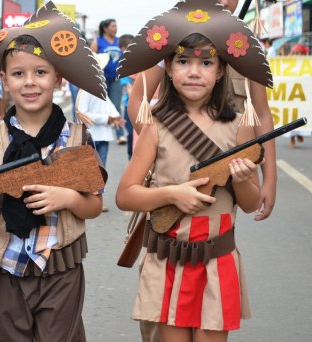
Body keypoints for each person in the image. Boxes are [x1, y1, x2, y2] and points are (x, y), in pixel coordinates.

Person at [116, 1, 273, 341]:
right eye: (183, 61)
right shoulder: (156, 127)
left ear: (220, 70)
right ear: (168, 66)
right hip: (168, 258)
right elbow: (125, 195)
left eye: (206, 62)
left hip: (218, 260)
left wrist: (247, 179)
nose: (194, 71)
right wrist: (171, 194)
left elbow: (247, 202)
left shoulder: (239, 129)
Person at [0, 2, 107, 340]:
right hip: (6, 267)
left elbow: (94, 205)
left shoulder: (77, 136)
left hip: (62, 271)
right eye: (18, 73)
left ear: (58, 78)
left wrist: (67, 197)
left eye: (40, 72)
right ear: (3, 80)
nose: (30, 82)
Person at [127, 0, 277, 223]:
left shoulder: (245, 45)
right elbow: (138, 101)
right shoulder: (170, 34)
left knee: (218, 232)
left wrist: (270, 180)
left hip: (229, 171)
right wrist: (169, 143)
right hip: (174, 173)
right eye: (185, 61)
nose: (223, 1)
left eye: (206, 63)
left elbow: (261, 113)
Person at [76, 53, 125, 212]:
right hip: (93, 135)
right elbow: (83, 114)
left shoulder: (98, 88)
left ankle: (95, 198)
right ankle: (93, 199)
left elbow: (108, 104)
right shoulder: (87, 90)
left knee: (100, 169)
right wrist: (108, 119)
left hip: (102, 135)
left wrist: (116, 117)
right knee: (96, 169)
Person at [91, 18, 126, 144]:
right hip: (102, 80)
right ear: (105, 28)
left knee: (116, 106)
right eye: (113, 26)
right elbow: (91, 59)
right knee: (100, 107)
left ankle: (120, 135)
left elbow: (125, 57)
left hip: (116, 79)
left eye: (116, 26)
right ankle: (98, 136)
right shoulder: (98, 41)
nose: (115, 28)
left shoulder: (119, 41)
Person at [285, 43, 312, 148]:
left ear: (303, 54)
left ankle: (299, 134)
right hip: (291, 97)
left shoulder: (308, 65)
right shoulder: (287, 65)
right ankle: (292, 139)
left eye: (298, 53)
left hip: (302, 98)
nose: (296, 55)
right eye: (294, 53)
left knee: (301, 117)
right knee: (290, 118)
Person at [118, 34, 135, 159]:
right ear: (122, 49)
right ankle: (132, 159)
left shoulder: (143, 64)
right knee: (131, 134)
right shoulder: (123, 67)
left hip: (144, 106)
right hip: (130, 106)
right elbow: (128, 88)